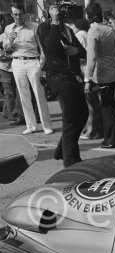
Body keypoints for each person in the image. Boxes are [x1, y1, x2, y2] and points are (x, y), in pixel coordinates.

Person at [38, 5, 87, 167]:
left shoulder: (67, 29)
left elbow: (82, 51)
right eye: (58, 14)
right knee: (70, 117)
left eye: (62, 14)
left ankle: (61, 149)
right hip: (58, 77)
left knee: (82, 114)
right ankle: (71, 159)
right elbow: (51, 47)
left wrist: (74, 51)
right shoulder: (45, 28)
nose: (62, 16)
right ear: (50, 14)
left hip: (73, 76)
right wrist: (54, 22)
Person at [84, 2, 115, 149]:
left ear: (88, 16)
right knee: (109, 105)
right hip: (114, 71)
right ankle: (114, 138)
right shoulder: (111, 29)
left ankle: (111, 140)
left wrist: (87, 79)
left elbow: (91, 57)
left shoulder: (94, 30)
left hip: (101, 74)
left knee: (107, 108)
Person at [2, 1, 53, 135]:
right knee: (23, 95)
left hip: (33, 62)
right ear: (11, 15)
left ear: (25, 14)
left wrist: (41, 64)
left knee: (39, 95)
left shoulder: (34, 27)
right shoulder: (8, 29)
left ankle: (46, 125)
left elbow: (42, 47)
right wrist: (10, 42)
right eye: (15, 15)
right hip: (17, 62)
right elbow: (6, 50)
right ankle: (31, 125)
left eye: (20, 14)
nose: (17, 17)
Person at [67, 18, 101, 140]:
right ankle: (94, 129)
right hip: (94, 70)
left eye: (71, 24)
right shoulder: (88, 33)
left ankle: (91, 131)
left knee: (89, 103)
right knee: (94, 101)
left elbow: (81, 54)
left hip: (86, 70)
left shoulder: (80, 35)